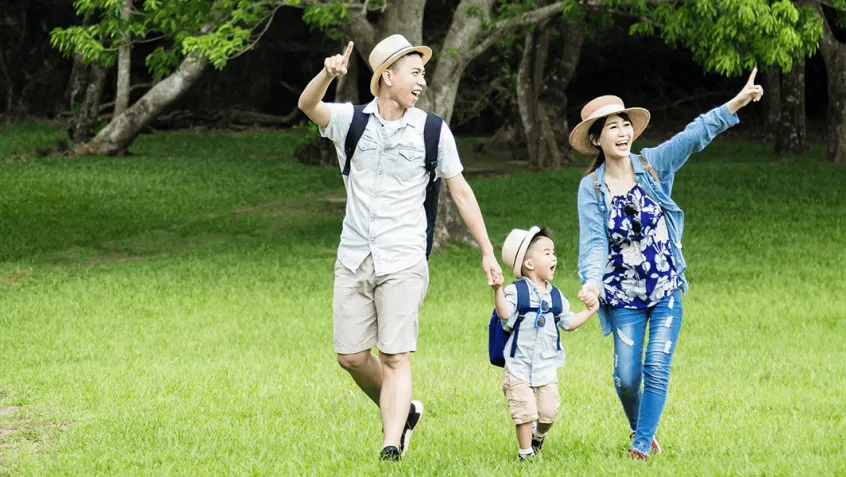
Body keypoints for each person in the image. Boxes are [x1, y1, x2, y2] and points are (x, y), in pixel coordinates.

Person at [297, 34, 502, 461]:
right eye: (414, 72)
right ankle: (403, 411)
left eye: (423, 74)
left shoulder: (432, 130)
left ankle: (391, 446)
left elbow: (460, 191)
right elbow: (307, 106)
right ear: (386, 76)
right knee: (351, 356)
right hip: (354, 255)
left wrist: (486, 249)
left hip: (405, 257)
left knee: (395, 356)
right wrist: (326, 74)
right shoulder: (349, 121)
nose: (421, 81)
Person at [570, 69, 763, 460]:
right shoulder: (590, 189)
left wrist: (737, 102)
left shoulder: (654, 164)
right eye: (612, 128)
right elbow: (593, 243)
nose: (622, 132)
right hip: (622, 296)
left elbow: (693, 136)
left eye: (625, 125)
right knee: (626, 379)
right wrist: (591, 283)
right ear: (596, 140)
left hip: (665, 289)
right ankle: (640, 427)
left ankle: (641, 447)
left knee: (656, 364)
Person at [491, 226, 598, 460]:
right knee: (524, 412)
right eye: (547, 253)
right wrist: (497, 289)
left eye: (553, 252)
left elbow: (569, 323)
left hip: (545, 366)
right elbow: (504, 313)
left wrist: (591, 310)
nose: (554, 257)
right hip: (518, 365)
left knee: (548, 413)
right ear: (529, 264)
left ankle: (538, 438)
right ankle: (525, 453)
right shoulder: (515, 292)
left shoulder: (556, 296)